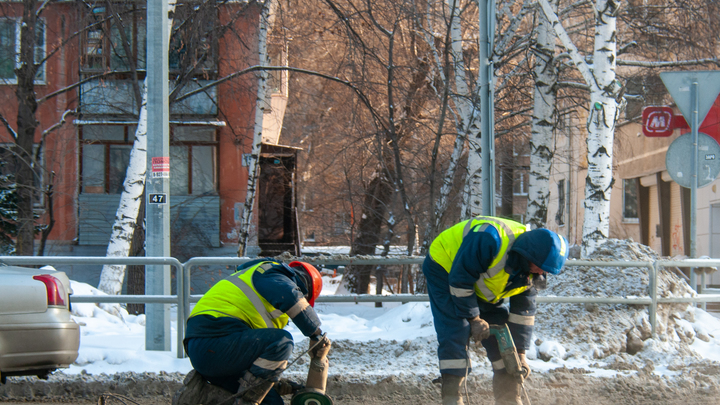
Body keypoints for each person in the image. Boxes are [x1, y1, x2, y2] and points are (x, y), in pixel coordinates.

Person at [422, 216, 568, 405]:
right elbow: (460, 279)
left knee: (503, 338)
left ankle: (509, 399)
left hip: (480, 282)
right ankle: (452, 398)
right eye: (541, 267)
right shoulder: (490, 238)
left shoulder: (531, 271)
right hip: (446, 268)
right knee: (456, 330)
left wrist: (520, 355)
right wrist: (474, 319)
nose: (542, 273)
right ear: (528, 255)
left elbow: (522, 316)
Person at [173, 258, 329, 405]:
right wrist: (315, 334)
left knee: (271, 401)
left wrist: (275, 384)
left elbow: (255, 362)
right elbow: (289, 296)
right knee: (282, 342)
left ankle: (204, 394)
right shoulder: (272, 272)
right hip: (214, 338)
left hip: (213, 351)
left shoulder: (259, 292)